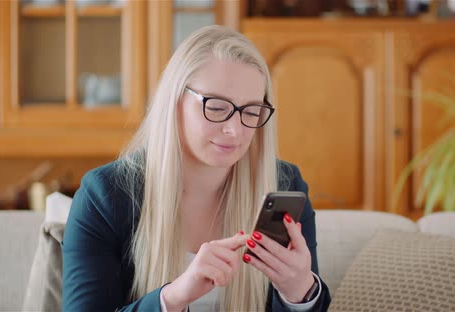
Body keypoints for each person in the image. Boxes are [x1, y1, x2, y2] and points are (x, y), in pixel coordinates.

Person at [62, 25, 331, 312]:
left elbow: (304, 299)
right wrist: (173, 298)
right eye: (216, 108)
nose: (234, 129)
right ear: (174, 102)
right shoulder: (104, 196)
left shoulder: (285, 185)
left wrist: (299, 293)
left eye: (251, 112)